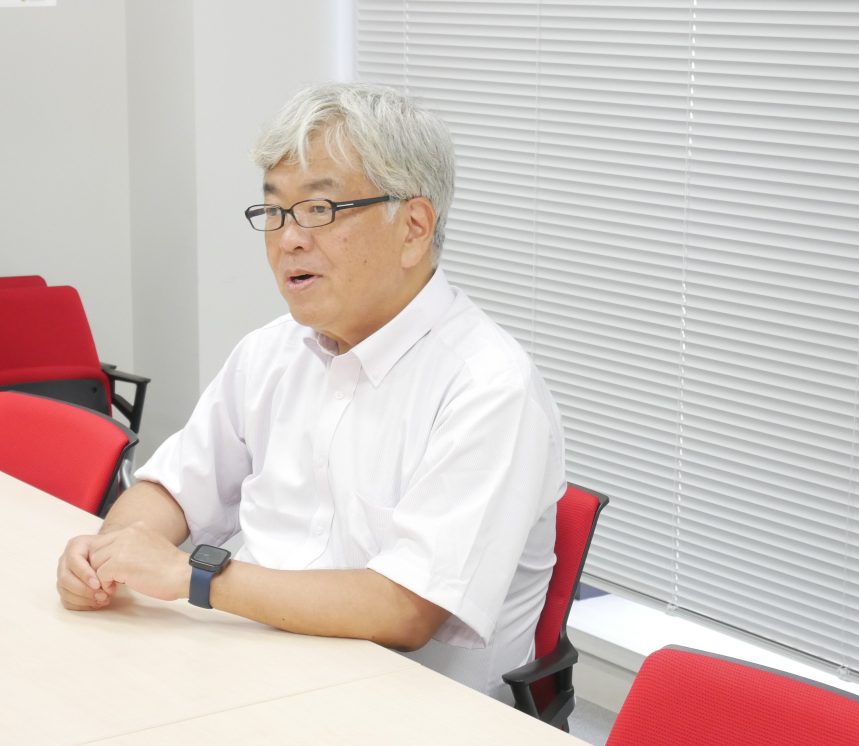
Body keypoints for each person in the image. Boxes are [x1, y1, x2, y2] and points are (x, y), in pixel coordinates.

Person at [55, 83, 566, 701]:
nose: (288, 239)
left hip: (400, 707)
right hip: (248, 667)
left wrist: (194, 577)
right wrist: (107, 555)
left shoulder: (489, 387)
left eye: (318, 210)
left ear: (413, 227)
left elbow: (404, 609)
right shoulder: (271, 351)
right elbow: (175, 489)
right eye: (274, 212)